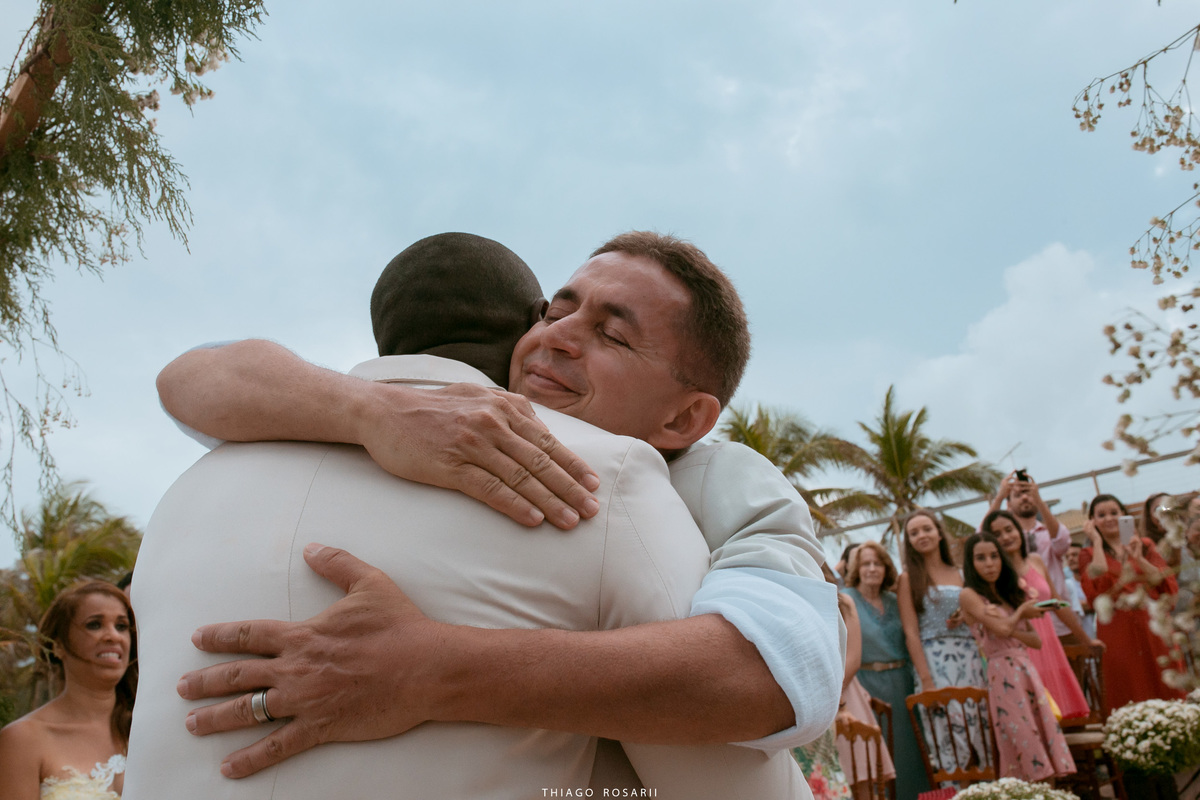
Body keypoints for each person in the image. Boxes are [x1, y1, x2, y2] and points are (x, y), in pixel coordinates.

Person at [128, 233, 836, 797]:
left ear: (685, 419)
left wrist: (430, 668)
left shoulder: (719, 479)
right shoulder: (421, 424)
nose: (557, 337)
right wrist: (370, 410)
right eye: (555, 312)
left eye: (613, 336)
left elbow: (774, 672)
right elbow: (192, 373)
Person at [0, 581, 137, 799]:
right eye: (94, 625)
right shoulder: (23, 740)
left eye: (121, 626)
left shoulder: (146, 727)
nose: (113, 636)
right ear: (58, 645)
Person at [959, 533, 1075, 784]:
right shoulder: (969, 595)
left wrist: (1009, 622)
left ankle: (1049, 795)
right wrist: (1021, 612)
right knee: (1023, 741)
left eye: (994, 556)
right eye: (981, 558)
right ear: (971, 563)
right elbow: (1001, 630)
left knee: (1043, 740)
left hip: (1026, 669)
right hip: (1001, 674)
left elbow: (1035, 641)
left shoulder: (1008, 593)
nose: (990, 563)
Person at [896, 510, 986, 779]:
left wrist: (965, 615)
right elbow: (911, 632)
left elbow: (980, 615)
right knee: (947, 738)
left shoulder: (962, 573)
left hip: (971, 659)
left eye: (927, 529)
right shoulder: (908, 579)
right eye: (914, 533)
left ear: (938, 533)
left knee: (980, 733)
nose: (921, 536)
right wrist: (927, 680)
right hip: (934, 664)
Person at [980, 509, 1095, 719]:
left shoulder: (1036, 561)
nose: (1005, 537)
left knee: (1065, 712)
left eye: (1009, 529)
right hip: (1023, 646)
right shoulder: (995, 574)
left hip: (1050, 643)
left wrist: (1086, 640)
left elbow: (1059, 605)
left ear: (1019, 531)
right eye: (997, 534)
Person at [1078, 493, 1184, 710]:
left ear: (1124, 515)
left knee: (1165, 676)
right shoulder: (1087, 554)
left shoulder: (1145, 545)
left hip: (1151, 621)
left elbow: (1163, 582)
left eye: (1114, 513)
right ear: (1092, 521)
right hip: (1117, 626)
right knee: (1129, 683)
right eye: (1101, 515)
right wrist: (1096, 541)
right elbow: (1095, 589)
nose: (1109, 518)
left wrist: (1138, 558)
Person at [844, 541, 929, 800]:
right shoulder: (847, 600)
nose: (872, 569)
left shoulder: (895, 599)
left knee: (912, 750)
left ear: (886, 568)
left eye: (878, 563)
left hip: (903, 683)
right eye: (866, 564)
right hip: (867, 685)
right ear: (857, 569)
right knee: (878, 754)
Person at [984, 471, 1073, 641]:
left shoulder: (1049, 531)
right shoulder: (1004, 540)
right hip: (1025, 629)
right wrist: (999, 497)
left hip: (1061, 623)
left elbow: (1062, 542)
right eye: (1017, 495)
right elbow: (982, 538)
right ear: (1008, 504)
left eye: (1028, 493)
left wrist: (1039, 500)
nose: (1025, 498)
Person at [1061, 543, 1095, 639]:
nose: (1070, 559)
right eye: (1067, 557)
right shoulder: (1066, 586)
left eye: (1075, 555)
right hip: (1084, 640)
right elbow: (1067, 611)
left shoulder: (1096, 581)